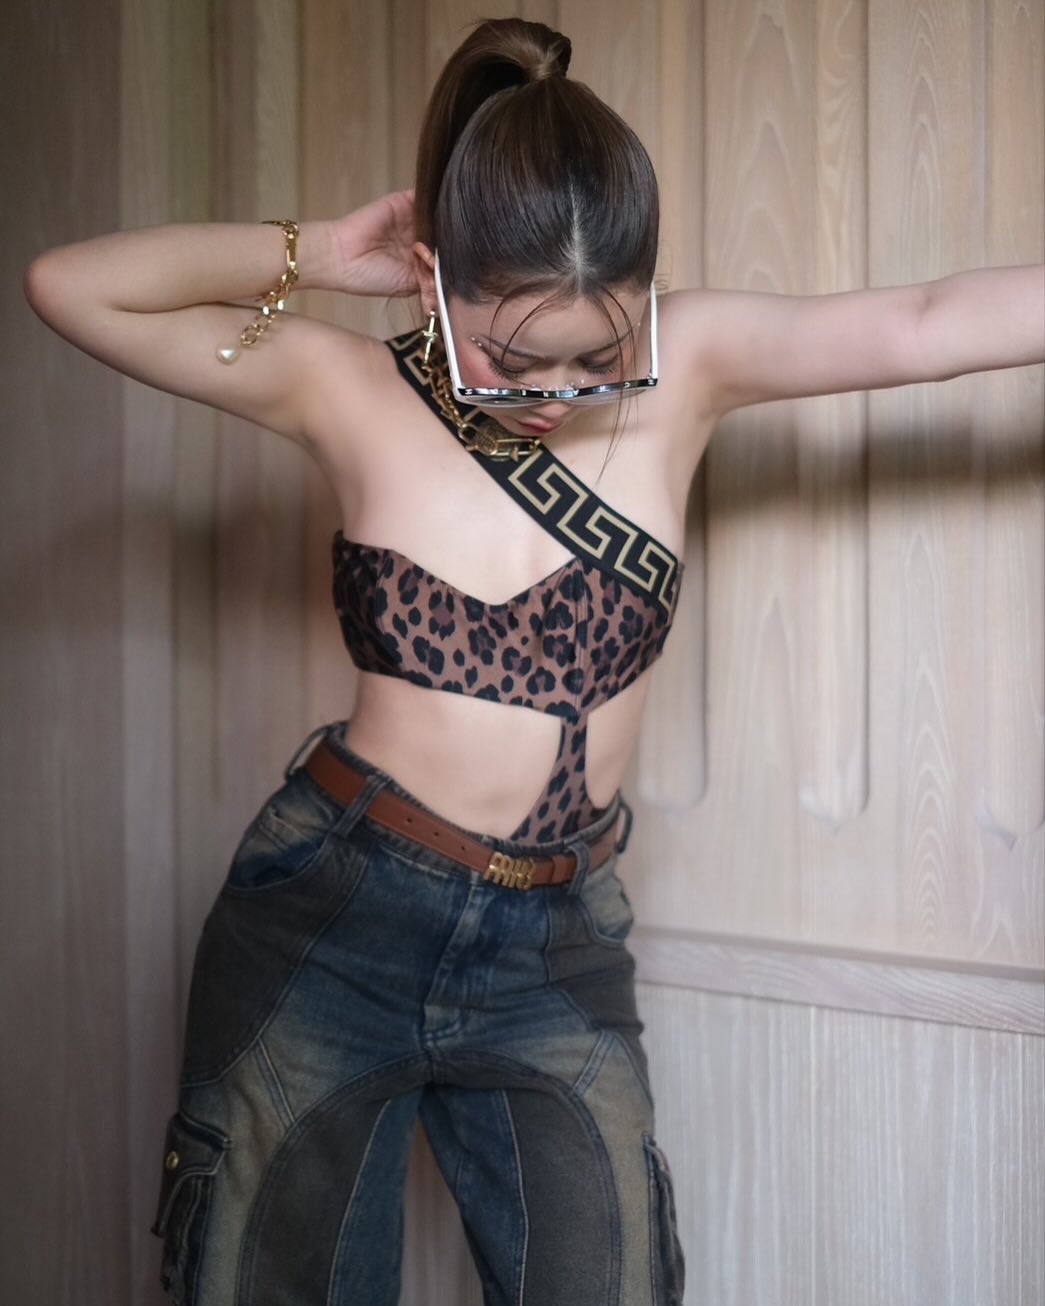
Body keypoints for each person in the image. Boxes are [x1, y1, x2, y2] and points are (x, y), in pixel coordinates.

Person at [23, 16, 1043, 1306]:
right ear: (434, 280)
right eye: (514, 360)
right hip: (336, 914)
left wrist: (611, 362)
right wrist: (320, 253)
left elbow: (928, 322)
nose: (557, 393)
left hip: (558, 943)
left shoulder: (693, 364)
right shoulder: (342, 386)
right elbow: (72, 286)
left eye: (599, 358)